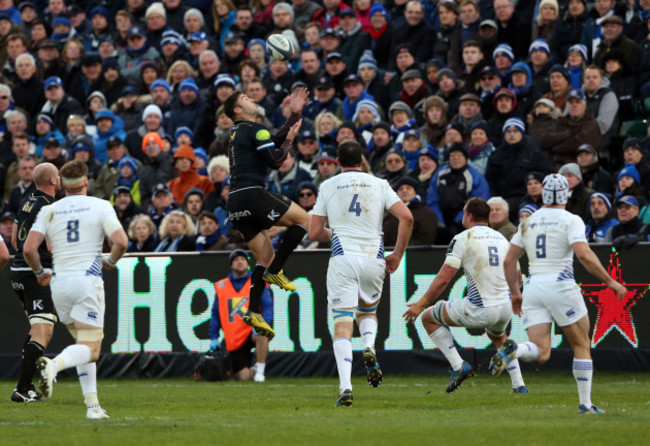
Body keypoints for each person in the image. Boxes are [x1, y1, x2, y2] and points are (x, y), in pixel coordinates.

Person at [492, 174, 627, 414]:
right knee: (581, 344)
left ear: (543, 193)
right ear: (566, 194)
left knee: (541, 353)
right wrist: (610, 280)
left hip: (533, 287)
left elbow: (510, 260)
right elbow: (584, 255)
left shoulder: (528, 222)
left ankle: (516, 350)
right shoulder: (570, 219)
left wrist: (515, 293)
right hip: (561, 285)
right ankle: (585, 404)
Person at [309, 140, 414, 407]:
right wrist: (398, 254)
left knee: (342, 321)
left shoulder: (328, 185)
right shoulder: (379, 184)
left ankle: (346, 387)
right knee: (367, 311)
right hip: (373, 255)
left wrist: (337, 234)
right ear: (362, 159)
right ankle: (369, 346)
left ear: (337, 160)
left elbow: (314, 233)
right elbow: (407, 217)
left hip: (343, 256)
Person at [24, 160, 129, 419]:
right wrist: (111, 261)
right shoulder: (100, 205)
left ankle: (92, 406)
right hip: (87, 281)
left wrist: (39, 272)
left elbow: (28, 249)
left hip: (59, 284)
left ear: (62, 183)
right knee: (91, 348)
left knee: (83, 345)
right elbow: (121, 242)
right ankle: (53, 365)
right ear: (85, 181)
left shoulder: (51, 209)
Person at [403, 197, 527, 394]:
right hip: (505, 308)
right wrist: (515, 294)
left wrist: (421, 303)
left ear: (469, 216)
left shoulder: (463, 238)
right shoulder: (502, 239)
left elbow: (444, 278)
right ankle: (519, 385)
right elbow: (518, 277)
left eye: (463, 211)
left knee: (428, 317)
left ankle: (458, 365)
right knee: (498, 337)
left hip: (481, 309)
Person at [223, 87, 311, 340]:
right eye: (245, 98)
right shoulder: (254, 128)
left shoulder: (238, 132)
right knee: (304, 219)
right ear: (238, 110)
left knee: (265, 255)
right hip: (253, 194)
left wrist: (294, 114)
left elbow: (272, 139)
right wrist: (290, 140)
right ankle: (278, 271)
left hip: (235, 203)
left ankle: (252, 310)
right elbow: (275, 159)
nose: (251, 99)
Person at [8, 163, 60, 403]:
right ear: (52, 181)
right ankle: (23, 387)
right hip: (35, 272)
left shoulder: (27, 200)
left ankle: (26, 386)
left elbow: (14, 237)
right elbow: (50, 245)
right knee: (43, 330)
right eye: (58, 176)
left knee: (35, 328)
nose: (59, 180)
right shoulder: (50, 206)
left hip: (17, 270)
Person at [209, 249, 272, 382]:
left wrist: (262, 324)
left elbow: (267, 307)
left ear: (247, 264)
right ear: (231, 265)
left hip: (251, 330)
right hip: (234, 336)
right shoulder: (222, 286)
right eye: (236, 260)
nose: (240, 262)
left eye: (243, 259)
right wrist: (213, 337)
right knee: (242, 377)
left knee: (262, 334)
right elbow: (216, 313)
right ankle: (254, 369)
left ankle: (260, 371)